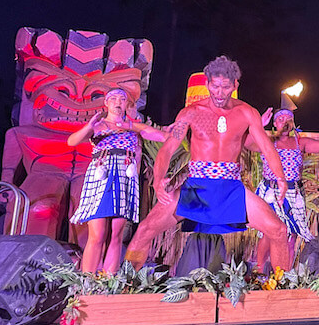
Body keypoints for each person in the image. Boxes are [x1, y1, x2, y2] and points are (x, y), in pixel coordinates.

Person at [123, 56, 292, 270]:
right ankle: (125, 286)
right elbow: (167, 148)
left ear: (235, 85)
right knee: (145, 229)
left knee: (278, 231)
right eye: (215, 86)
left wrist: (280, 178)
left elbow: (267, 148)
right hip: (197, 187)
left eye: (225, 87)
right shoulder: (191, 113)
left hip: (230, 188)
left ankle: (281, 292)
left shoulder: (247, 113)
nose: (219, 92)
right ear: (207, 83)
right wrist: (158, 180)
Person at [66, 89, 166, 273]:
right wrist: (89, 127)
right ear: (106, 102)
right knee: (97, 234)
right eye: (113, 98)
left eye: (122, 99)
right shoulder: (98, 126)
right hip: (101, 177)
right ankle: (87, 281)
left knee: (116, 235)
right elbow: (72, 141)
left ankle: (108, 281)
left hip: (123, 177)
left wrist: (132, 126)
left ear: (127, 104)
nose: (118, 102)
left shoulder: (133, 127)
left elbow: (161, 137)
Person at [246, 107, 319, 270]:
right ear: (274, 123)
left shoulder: (300, 142)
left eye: (289, 119)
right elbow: (247, 143)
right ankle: (260, 270)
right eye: (281, 119)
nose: (285, 122)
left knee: (292, 235)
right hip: (271, 192)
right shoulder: (267, 140)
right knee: (269, 233)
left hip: (293, 193)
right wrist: (258, 126)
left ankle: (284, 273)